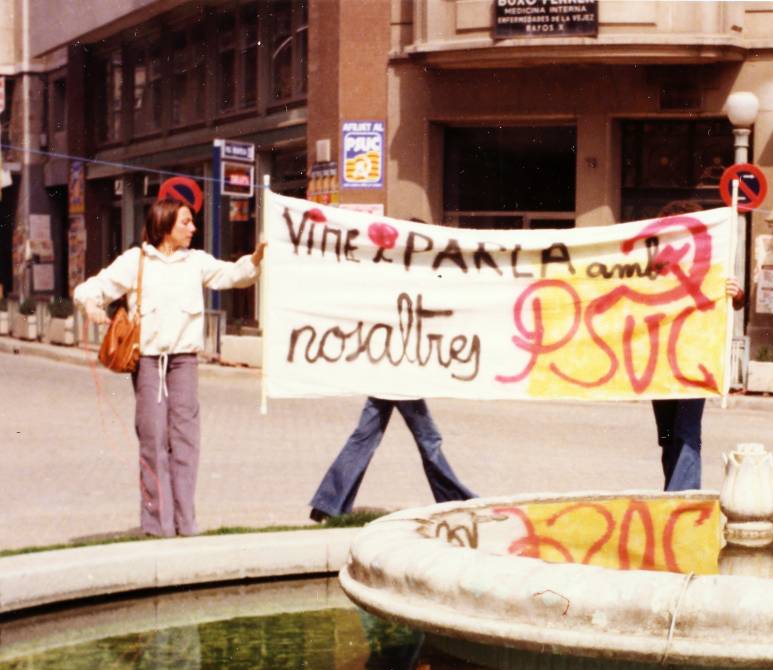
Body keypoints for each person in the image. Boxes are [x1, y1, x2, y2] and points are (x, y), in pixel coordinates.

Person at [76, 196, 265, 537]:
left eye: (192, 222)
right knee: (153, 439)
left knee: (186, 440)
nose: (193, 228)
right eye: (186, 222)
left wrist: (254, 260)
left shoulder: (196, 262)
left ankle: (185, 522)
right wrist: (90, 305)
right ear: (165, 223)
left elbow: (232, 275)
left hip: (184, 363)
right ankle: (157, 524)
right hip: (148, 363)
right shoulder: (136, 261)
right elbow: (94, 288)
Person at [308, 397, 475, 521]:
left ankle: (328, 504)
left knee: (363, 439)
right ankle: (456, 501)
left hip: (388, 374)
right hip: (400, 376)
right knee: (429, 439)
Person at [652, 279, 744, 492]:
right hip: (661, 364)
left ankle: (683, 499)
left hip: (695, 359)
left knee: (686, 431)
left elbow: (736, 300)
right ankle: (672, 492)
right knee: (666, 435)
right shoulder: (657, 256)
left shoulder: (709, 252)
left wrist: (737, 294)